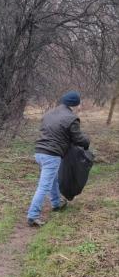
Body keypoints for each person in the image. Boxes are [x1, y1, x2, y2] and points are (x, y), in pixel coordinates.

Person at [27, 91, 90, 227]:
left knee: (53, 178)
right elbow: (78, 138)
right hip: (52, 155)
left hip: (39, 152)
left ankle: (56, 203)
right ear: (74, 104)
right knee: (44, 186)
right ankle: (33, 215)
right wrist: (87, 142)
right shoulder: (71, 118)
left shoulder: (49, 114)